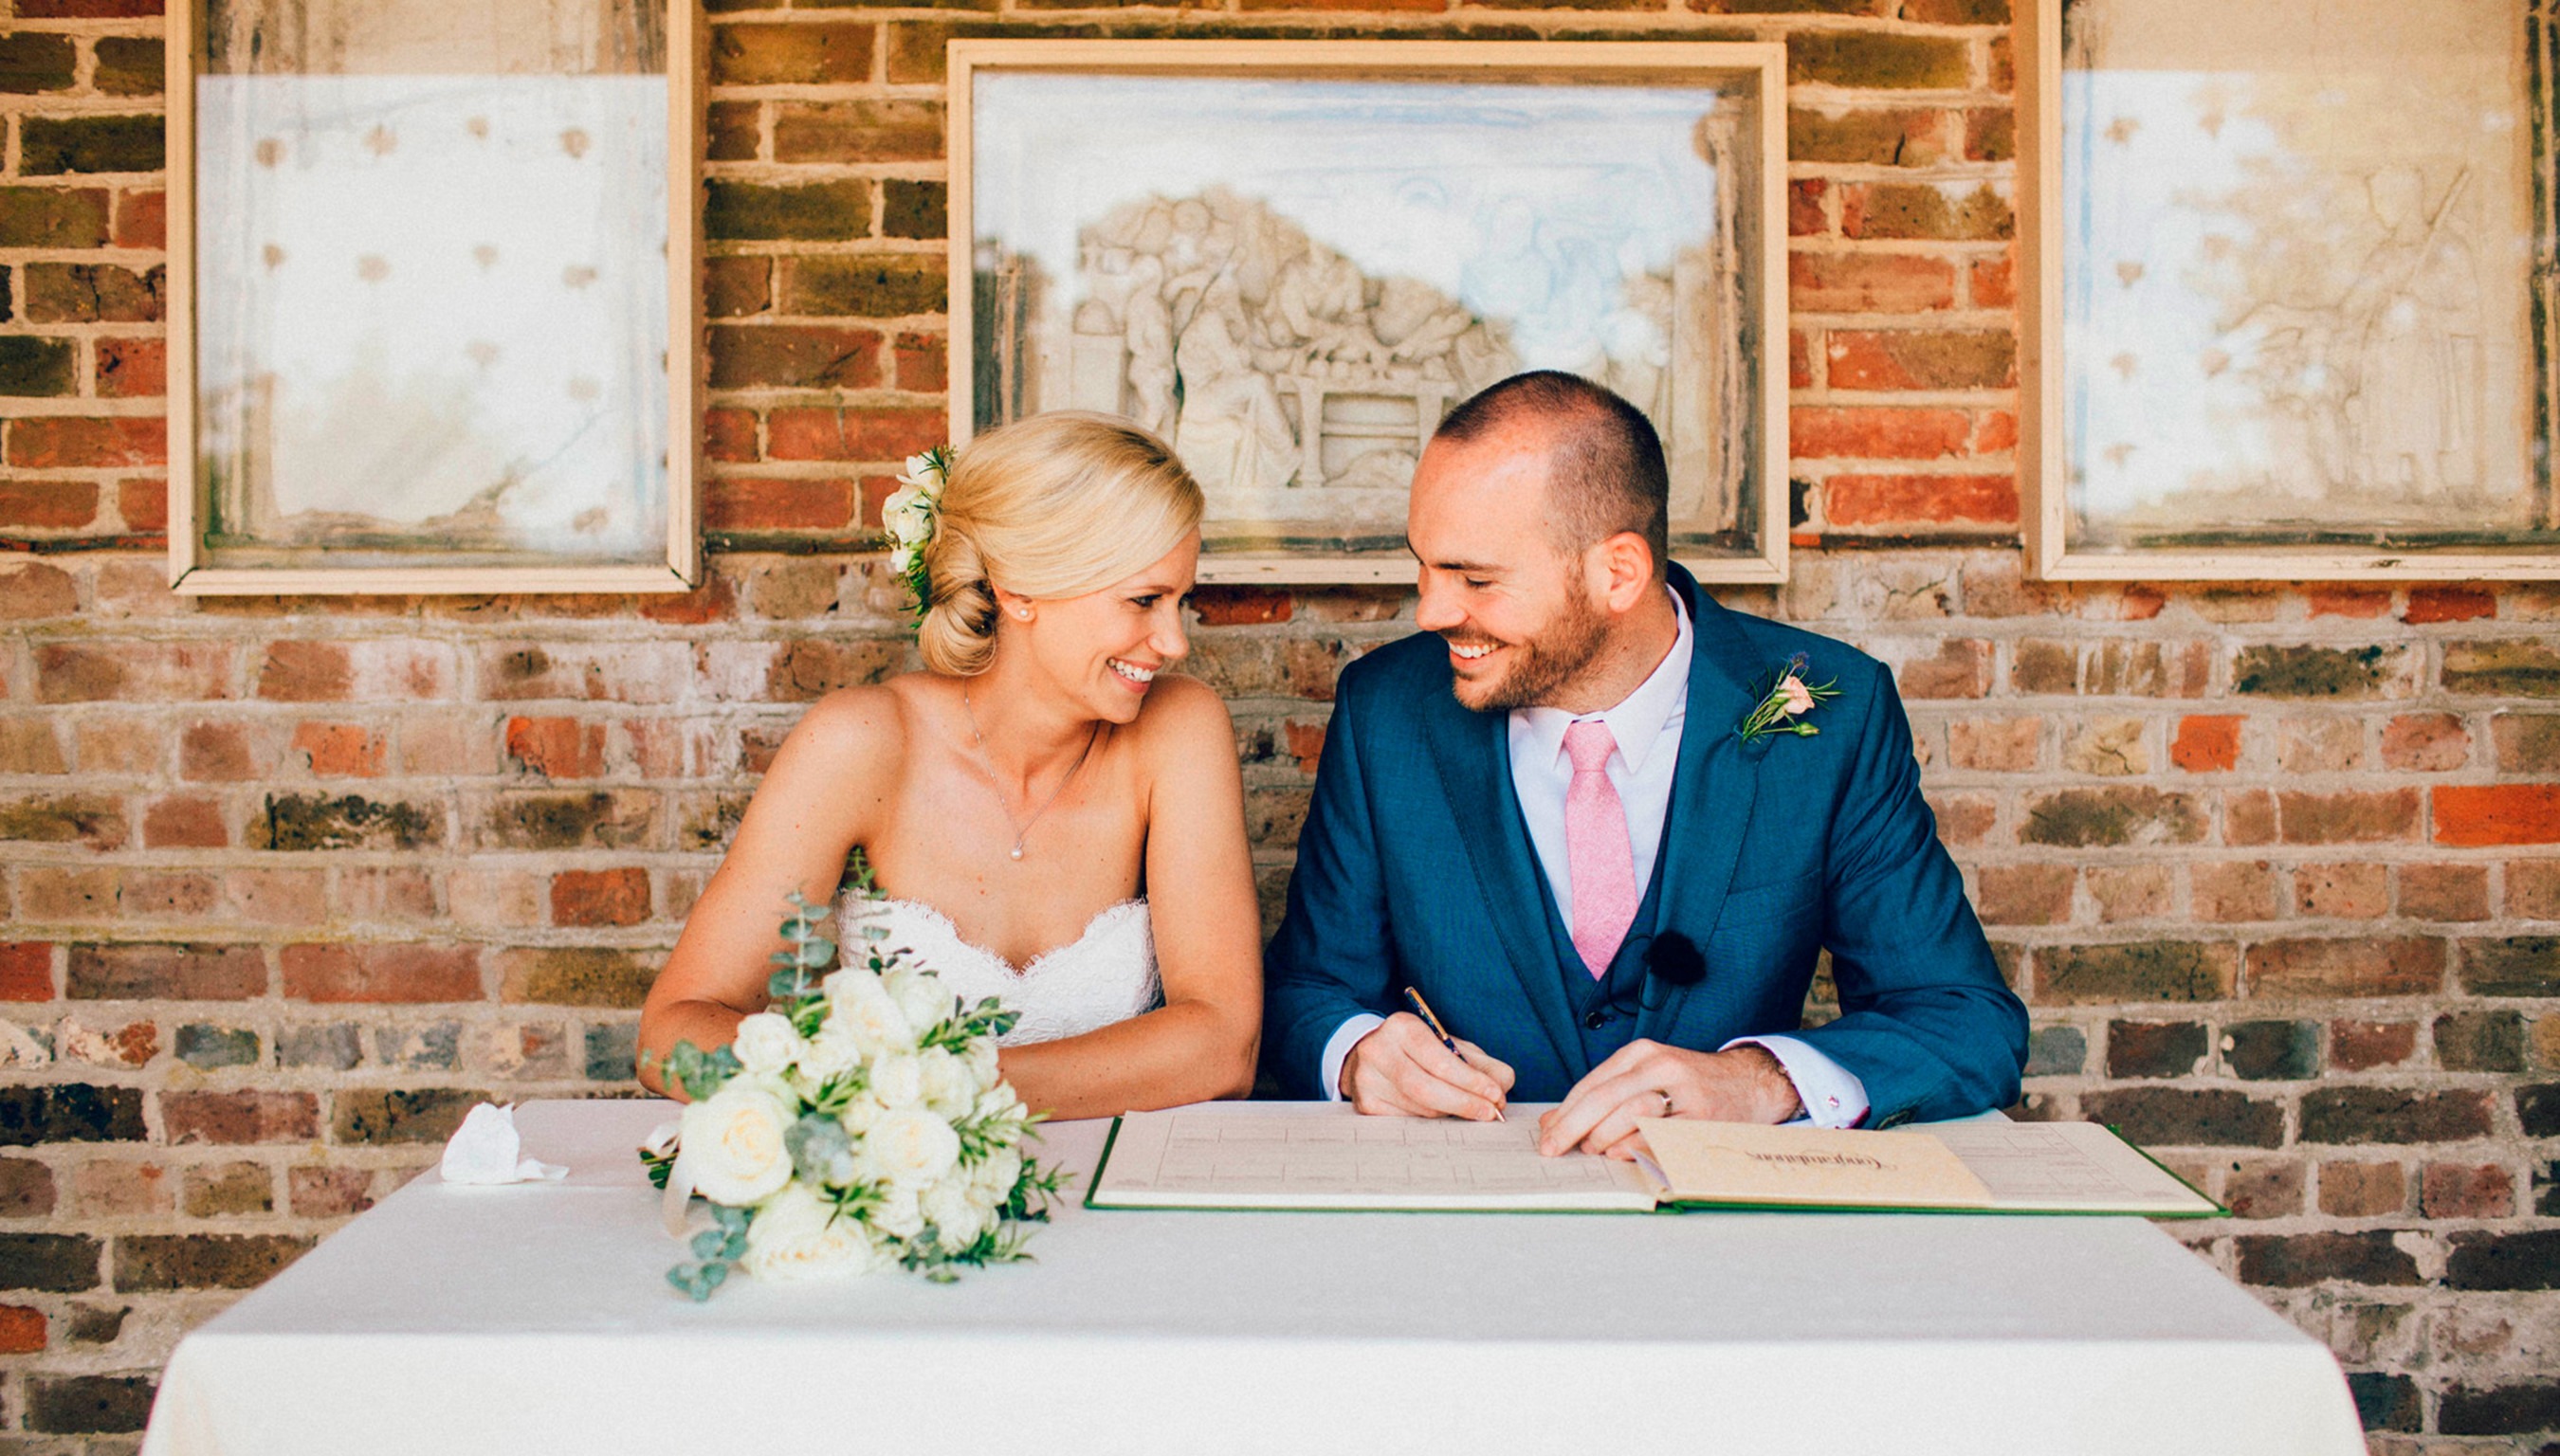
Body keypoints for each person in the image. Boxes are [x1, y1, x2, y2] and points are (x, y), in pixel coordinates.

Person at [1262, 372, 2025, 1156]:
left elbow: (1965, 1020)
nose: (1431, 611)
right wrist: (1355, 1054)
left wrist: (1764, 1081)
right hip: (1465, 1226)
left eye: (1477, 579)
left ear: (1618, 572)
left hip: (1727, 1238)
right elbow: (1304, 992)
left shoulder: (1838, 714)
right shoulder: (1383, 710)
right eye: (1424, 565)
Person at [638, 412, 1262, 1119]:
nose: (1174, 641)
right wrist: (860, 1111)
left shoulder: (1179, 731)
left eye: (1183, 601)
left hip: (1123, 1192)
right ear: (1018, 590)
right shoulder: (862, 744)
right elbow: (672, 1032)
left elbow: (1223, 1047)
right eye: (1144, 601)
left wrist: (940, 1094)